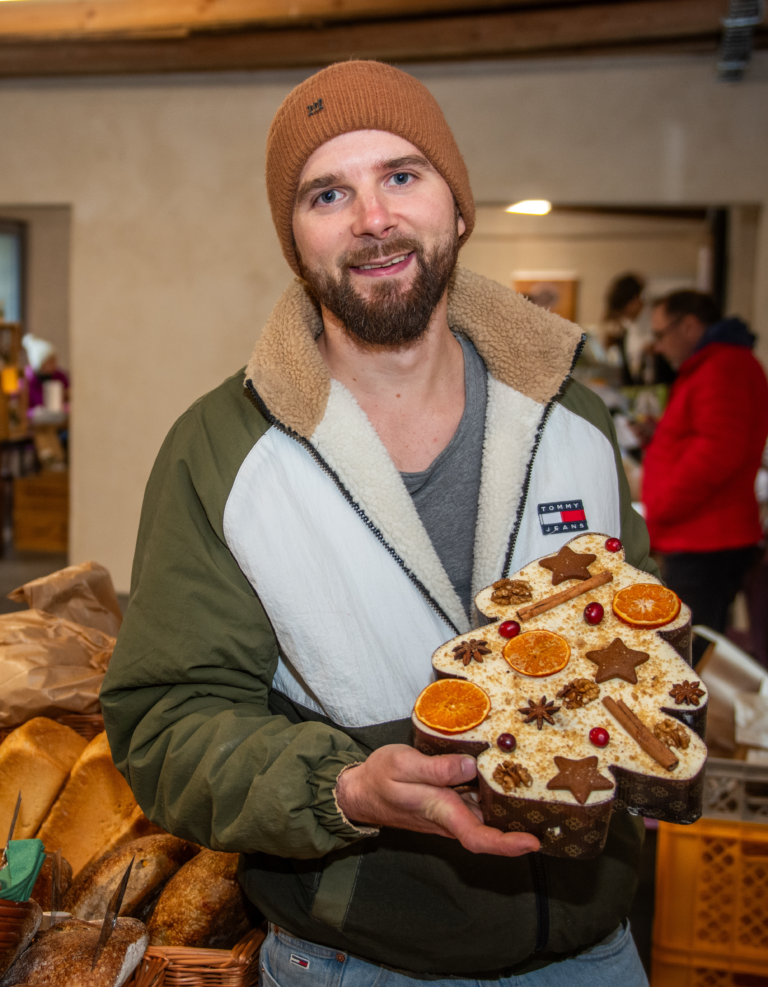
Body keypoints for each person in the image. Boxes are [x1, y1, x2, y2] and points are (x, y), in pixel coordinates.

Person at [101, 61, 656, 985]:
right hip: (356, 957)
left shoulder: (573, 419)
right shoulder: (222, 452)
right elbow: (167, 722)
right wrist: (345, 787)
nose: (373, 218)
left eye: (402, 174)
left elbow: (633, 631)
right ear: (294, 241)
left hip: (592, 946)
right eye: (328, 193)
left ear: (457, 205)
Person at [642, 290, 768, 660]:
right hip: (702, 532)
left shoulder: (723, 367)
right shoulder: (714, 365)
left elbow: (718, 453)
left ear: (690, 326)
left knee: (686, 654)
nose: (658, 347)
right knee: (689, 645)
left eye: (661, 334)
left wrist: (662, 505)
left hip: (706, 537)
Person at [599, 273, 646, 385]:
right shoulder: (627, 326)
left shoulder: (652, 321)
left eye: (624, 310)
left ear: (635, 299)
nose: (623, 315)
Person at [21, 333, 70, 414]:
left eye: (55, 361)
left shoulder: (60, 376)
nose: (54, 365)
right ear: (40, 364)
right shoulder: (27, 381)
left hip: (58, 416)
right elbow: (23, 409)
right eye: (50, 362)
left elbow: (67, 396)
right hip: (37, 418)